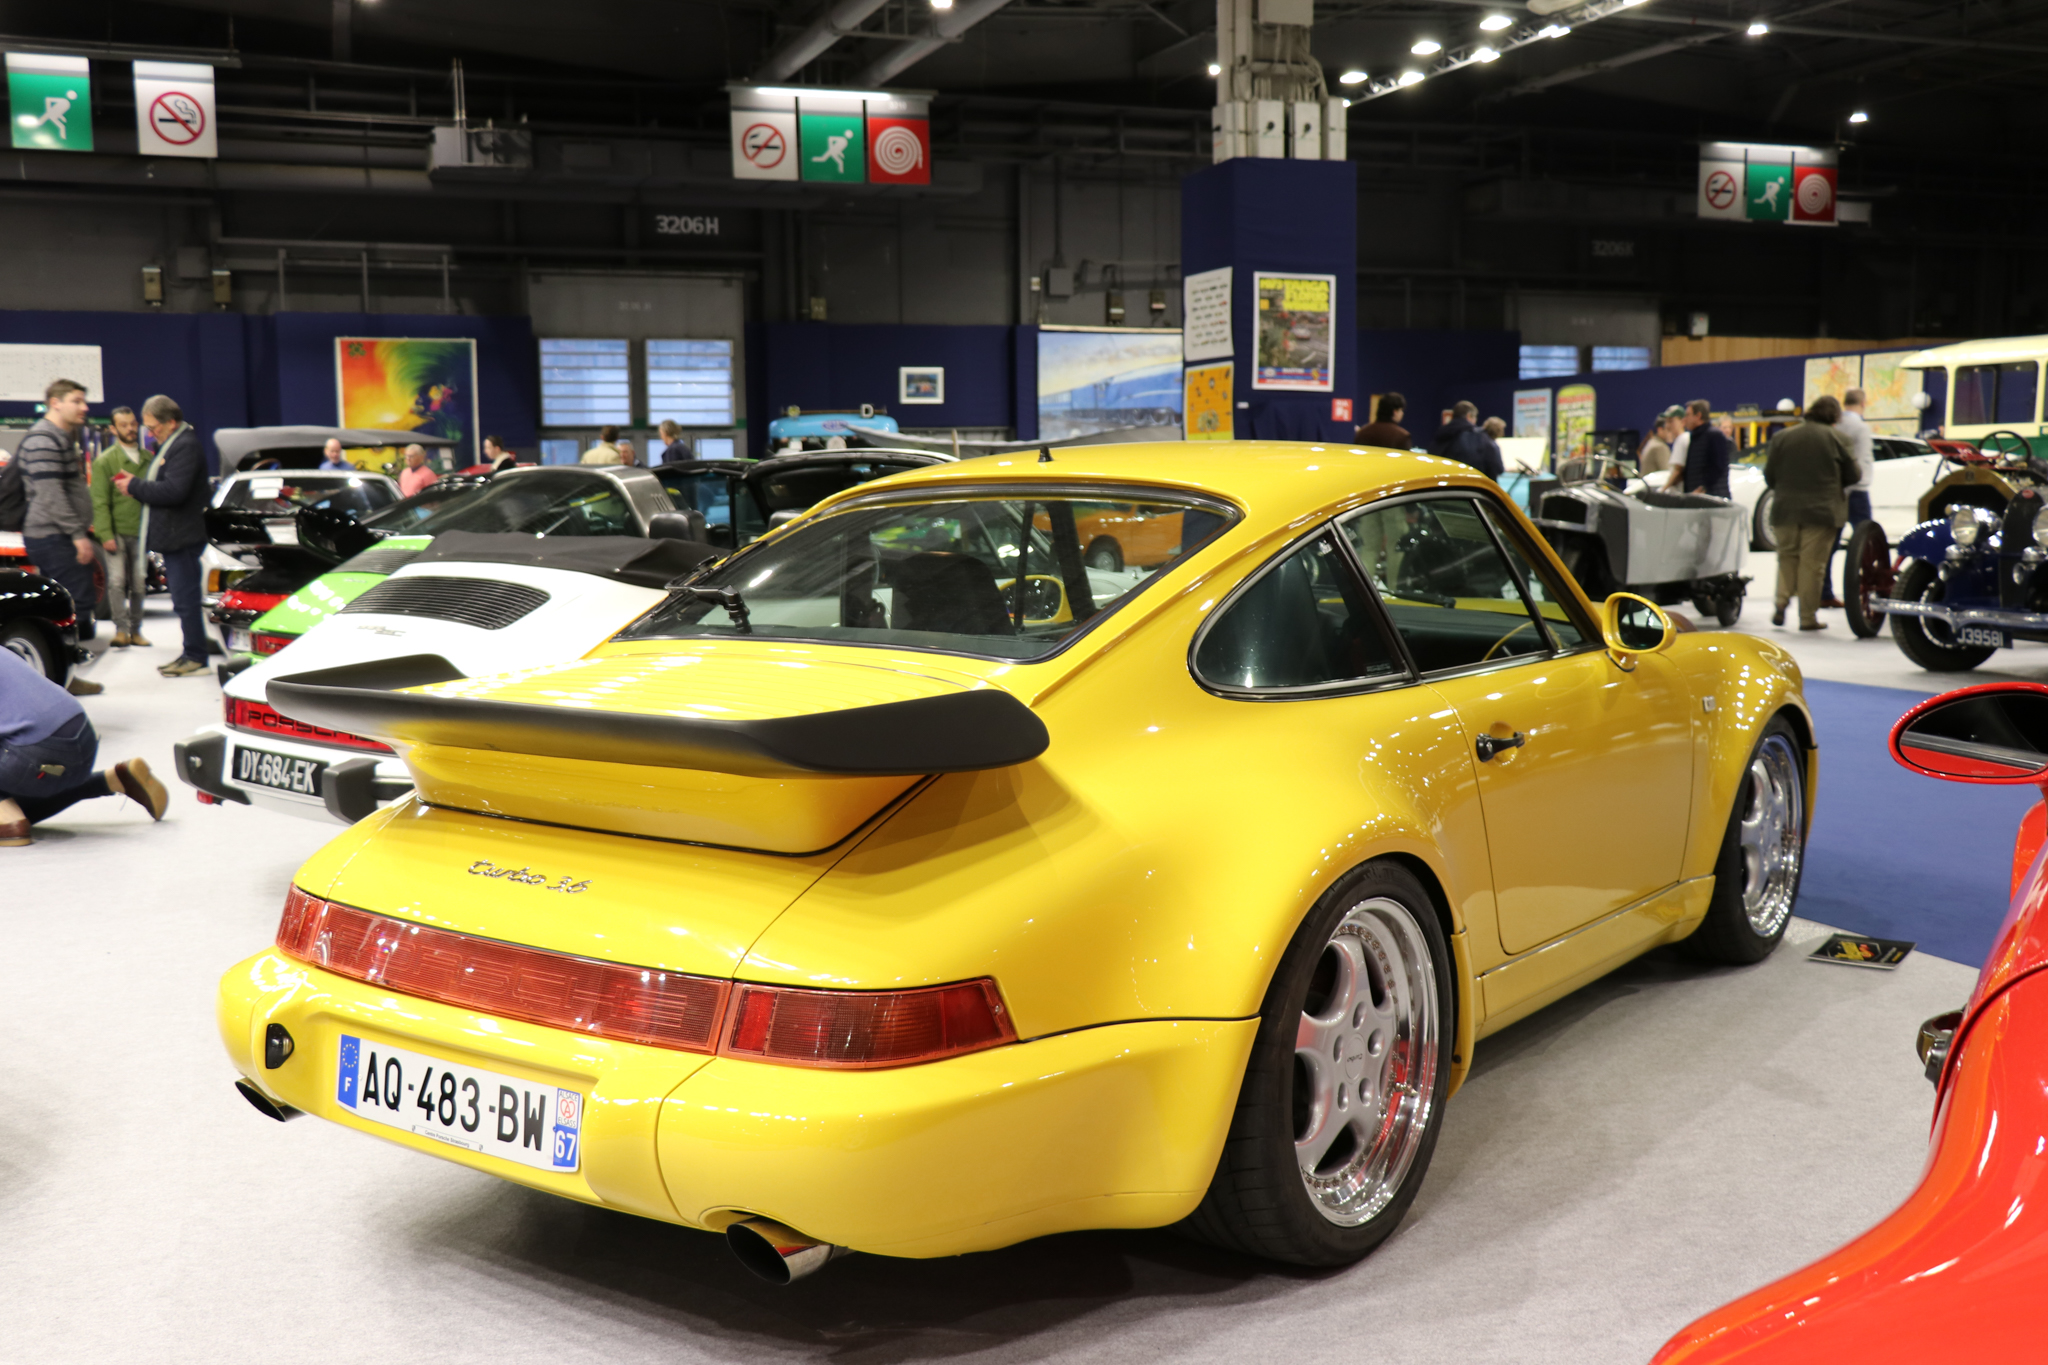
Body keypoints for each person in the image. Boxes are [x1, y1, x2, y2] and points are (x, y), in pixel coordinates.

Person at [0, 645, 166, 844]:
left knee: (16, 794)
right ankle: (111, 780)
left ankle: (8, 822)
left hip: (36, 756)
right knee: (18, 798)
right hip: (83, 741)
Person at [112, 394, 211, 677]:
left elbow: (173, 491)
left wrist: (134, 486)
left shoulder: (184, 446)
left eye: (153, 427)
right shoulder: (174, 444)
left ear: (171, 422)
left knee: (186, 601)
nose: (150, 433)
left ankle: (196, 658)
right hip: (176, 537)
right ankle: (191, 653)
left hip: (183, 537)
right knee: (182, 601)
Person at [18, 379, 102, 690]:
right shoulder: (43, 439)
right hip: (53, 535)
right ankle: (64, 678)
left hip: (56, 534)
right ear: (56, 402)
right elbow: (50, 494)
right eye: (77, 401)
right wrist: (78, 535)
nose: (85, 407)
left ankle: (62, 675)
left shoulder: (57, 437)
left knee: (69, 603)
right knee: (73, 602)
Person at [1763, 395, 1857, 631]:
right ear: (1834, 416)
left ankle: (1781, 602)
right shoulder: (1839, 438)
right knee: (1812, 566)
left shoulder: (1782, 437)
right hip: (1822, 512)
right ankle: (1807, 618)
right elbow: (1854, 475)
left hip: (1785, 509)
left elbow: (1769, 476)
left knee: (1786, 558)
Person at [91, 405, 151, 649]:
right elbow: (99, 501)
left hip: (142, 531)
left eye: (133, 424)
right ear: (113, 429)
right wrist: (105, 534)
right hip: (115, 531)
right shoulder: (105, 461)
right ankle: (121, 630)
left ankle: (136, 630)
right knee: (116, 582)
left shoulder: (149, 460)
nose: (130, 429)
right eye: (124, 425)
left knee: (139, 583)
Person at [1826, 387, 1876, 602]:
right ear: (1863, 404)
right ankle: (1868, 589)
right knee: (1866, 542)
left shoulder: (1834, 426)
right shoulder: (1860, 427)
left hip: (1835, 491)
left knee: (1830, 544)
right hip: (1856, 491)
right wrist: (1861, 483)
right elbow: (1862, 461)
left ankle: (1825, 592)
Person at [1666, 399, 1732, 497]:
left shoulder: (1715, 436)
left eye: (1688, 415)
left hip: (1712, 498)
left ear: (1698, 416)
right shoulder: (1695, 438)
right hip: (1698, 497)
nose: (1685, 419)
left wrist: (1703, 488)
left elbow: (1718, 467)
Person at [1431, 400, 1501, 479]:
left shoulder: (1440, 435)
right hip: (1470, 484)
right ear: (1469, 416)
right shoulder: (1479, 438)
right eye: (1475, 417)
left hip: (1443, 483)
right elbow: (1493, 467)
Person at [1638, 407, 1680, 476]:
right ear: (1660, 430)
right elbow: (1668, 474)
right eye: (1668, 430)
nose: (1671, 433)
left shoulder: (1652, 442)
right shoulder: (1660, 447)